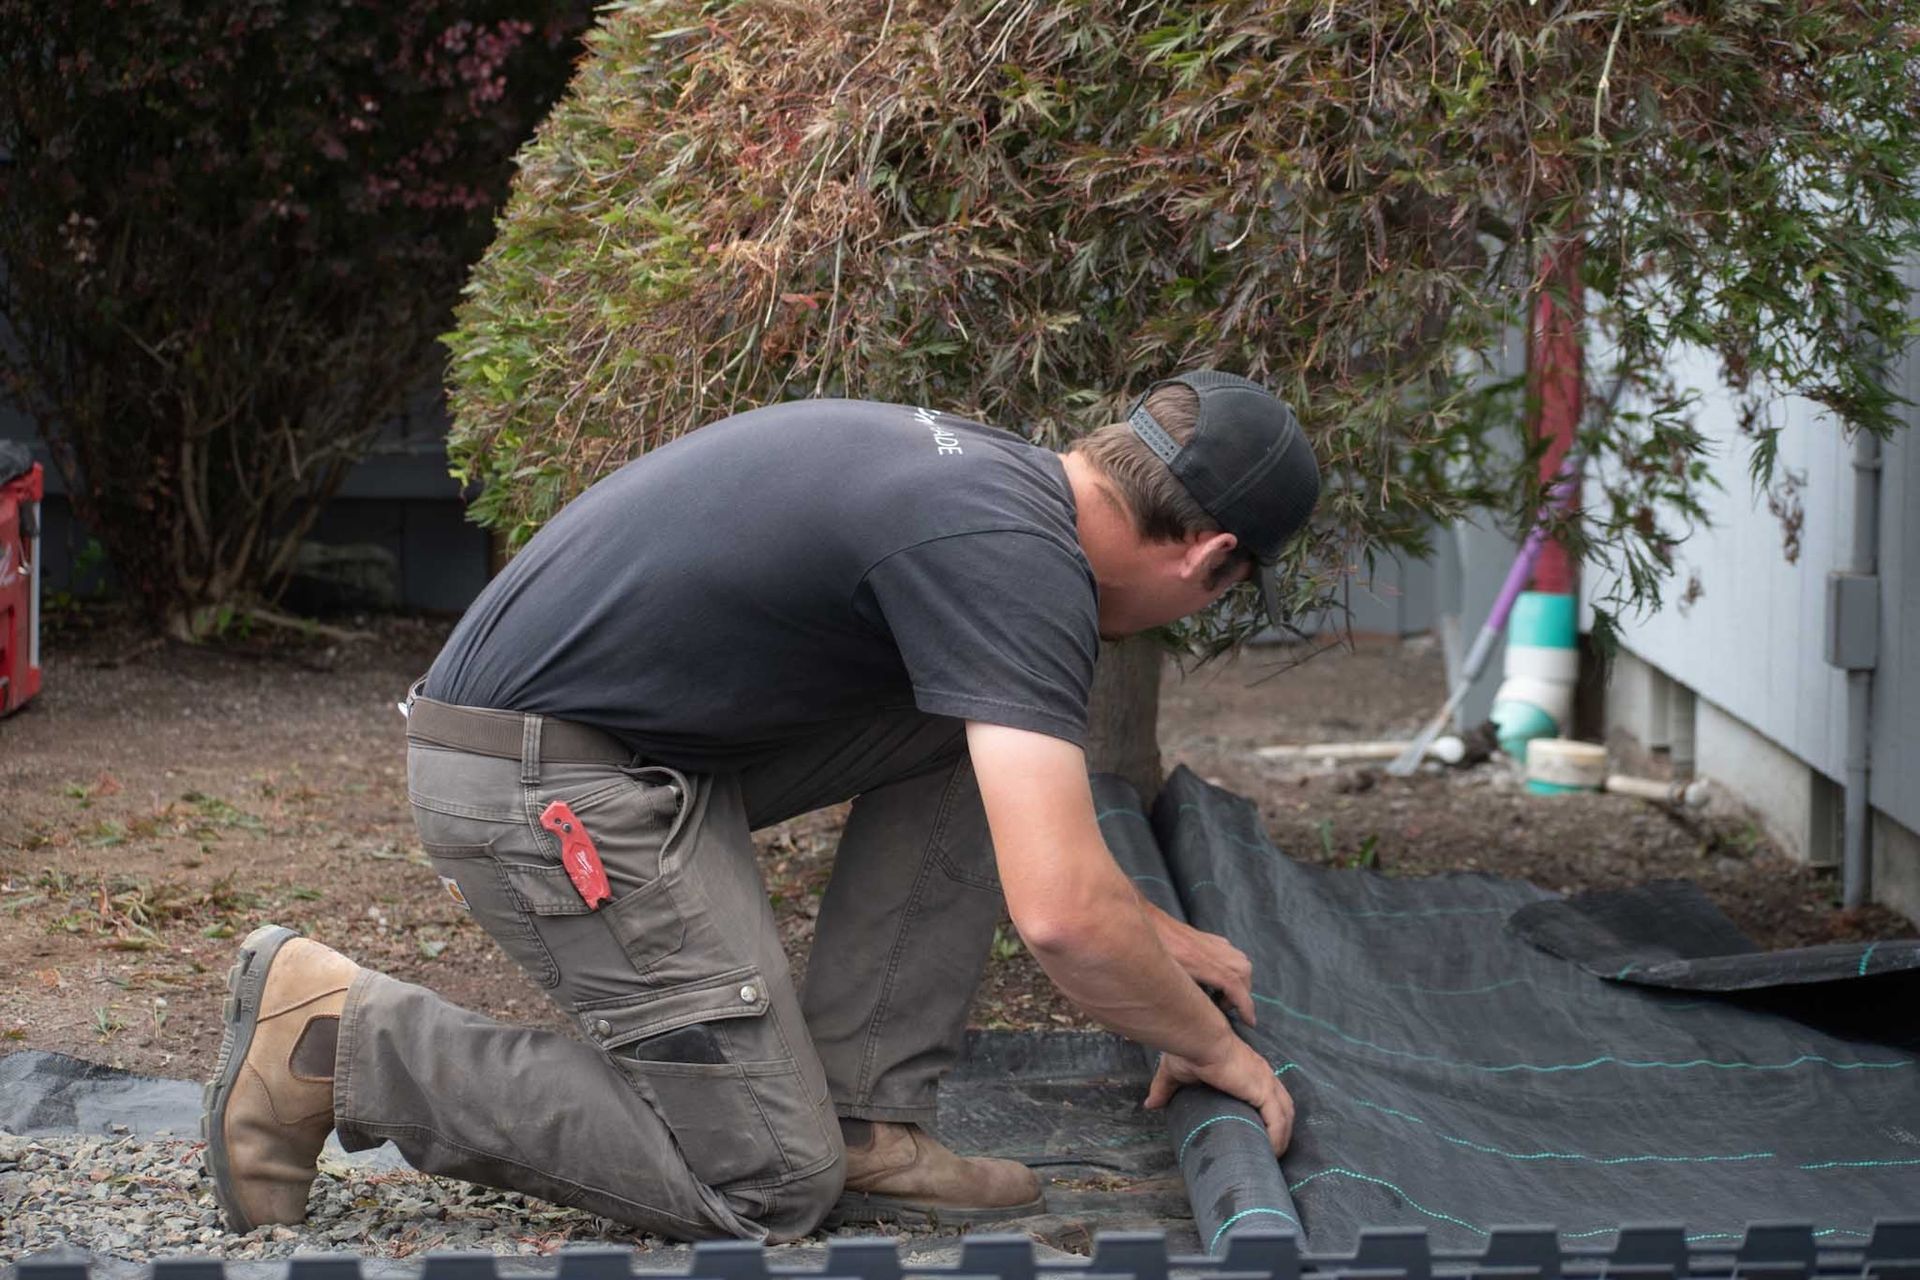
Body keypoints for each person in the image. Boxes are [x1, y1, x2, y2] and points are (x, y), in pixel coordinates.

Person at [200, 369, 1319, 1242]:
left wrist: (1156, 939)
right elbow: (1063, 920)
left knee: (975, 725)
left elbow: (1048, 842)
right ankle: (342, 1038)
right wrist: (1212, 1044)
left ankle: (862, 1115)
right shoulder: (1018, 564)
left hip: (609, 751)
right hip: (534, 780)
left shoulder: (999, 492)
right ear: (1213, 559)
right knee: (768, 1178)